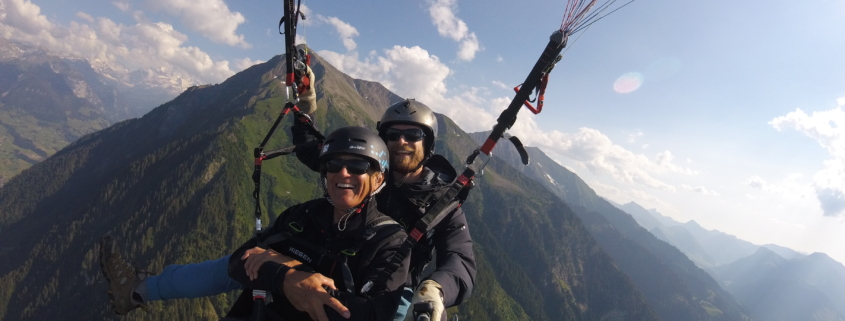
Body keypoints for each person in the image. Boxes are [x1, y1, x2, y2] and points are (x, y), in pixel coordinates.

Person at [99, 100, 476, 321]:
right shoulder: (357, 171)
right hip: (326, 251)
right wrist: (306, 106)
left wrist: (436, 288)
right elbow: (318, 151)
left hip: (387, 281)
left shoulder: (441, 202)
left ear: (428, 144)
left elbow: (461, 261)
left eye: (413, 136)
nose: (402, 142)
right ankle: (140, 288)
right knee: (239, 263)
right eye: (393, 134)